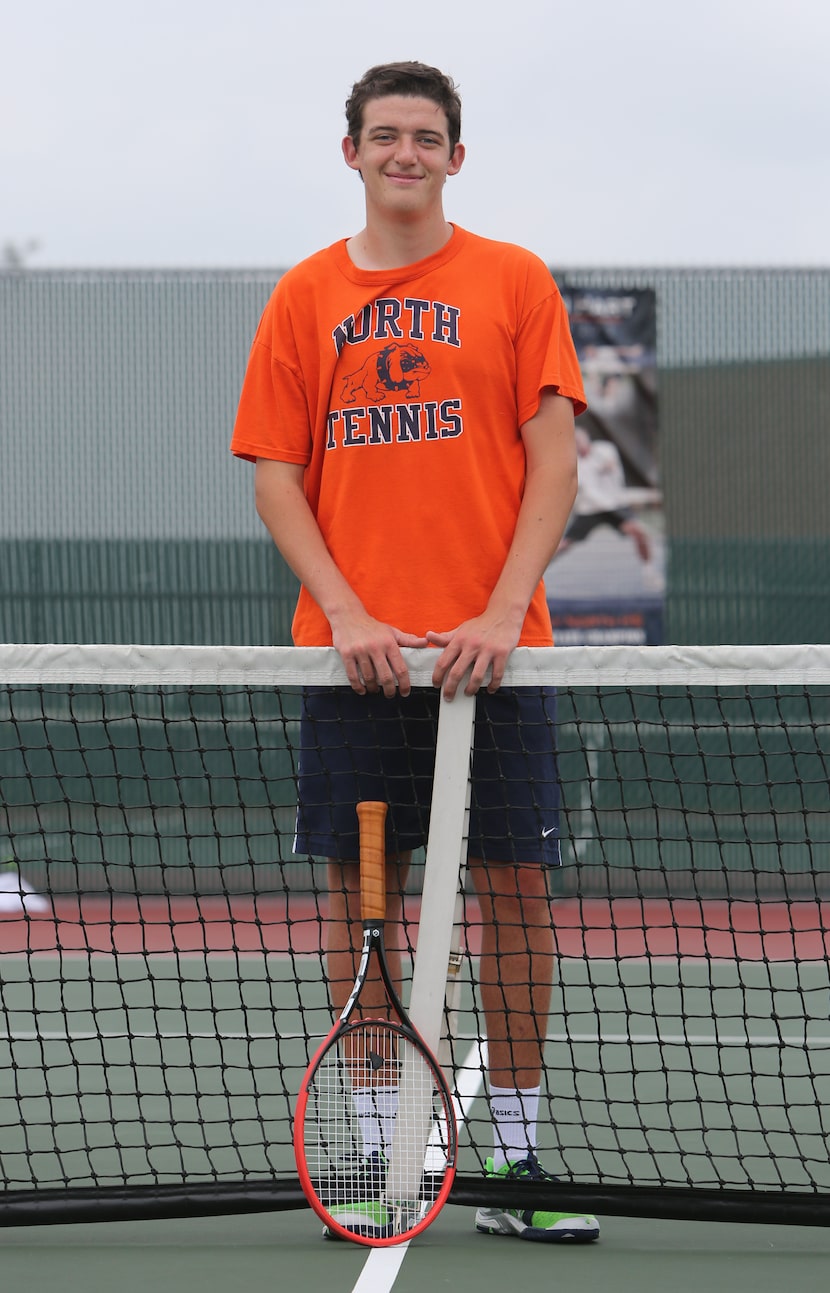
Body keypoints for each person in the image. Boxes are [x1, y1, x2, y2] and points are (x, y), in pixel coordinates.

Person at [231, 60, 599, 1245]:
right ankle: (371, 1148)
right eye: (383, 134)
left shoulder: (512, 281)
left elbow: (553, 463)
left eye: (425, 135)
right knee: (363, 904)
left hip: (500, 662)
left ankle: (521, 1159)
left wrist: (499, 612)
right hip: (357, 667)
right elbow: (278, 479)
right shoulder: (302, 297)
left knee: (516, 896)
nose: (404, 152)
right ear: (350, 152)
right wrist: (345, 613)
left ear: (455, 154)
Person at [555, 427, 653, 562]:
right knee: (565, 544)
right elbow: (585, 489)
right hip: (590, 509)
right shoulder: (574, 463)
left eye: (580, 440)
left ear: (587, 438)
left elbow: (612, 466)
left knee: (638, 532)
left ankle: (648, 569)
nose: (579, 444)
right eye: (575, 441)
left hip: (614, 505)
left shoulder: (604, 450)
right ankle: (541, 571)